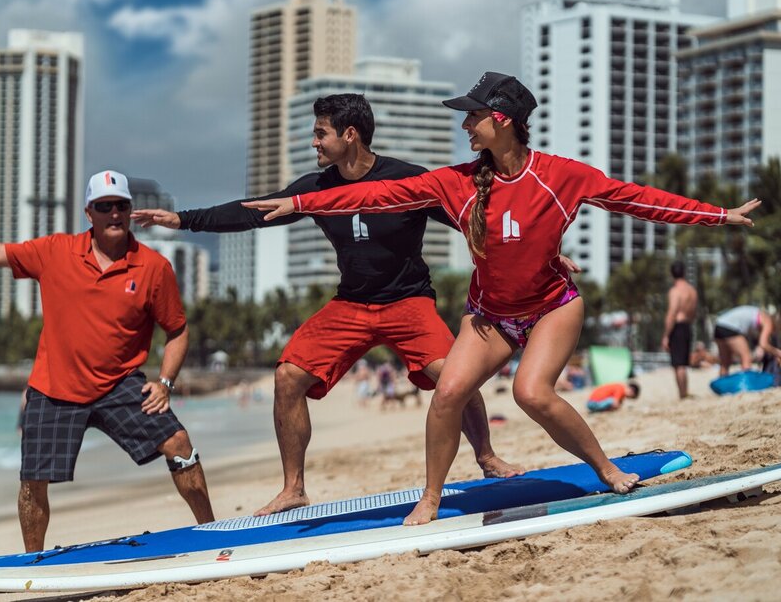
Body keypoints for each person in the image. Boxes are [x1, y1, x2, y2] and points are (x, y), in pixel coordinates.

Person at [244, 71, 760, 525]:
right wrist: (298, 201)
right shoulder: (456, 183)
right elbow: (374, 194)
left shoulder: (561, 176)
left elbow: (639, 200)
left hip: (552, 307)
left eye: (472, 118)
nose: (465, 128)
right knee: (447, 393)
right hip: (489, 315)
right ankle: (430, 497)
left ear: (502, 119)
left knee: (532, 394)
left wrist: (719, 216)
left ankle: (606, 468)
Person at [133, 93, 529, 516]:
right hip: (351, 305)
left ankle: (486, 456)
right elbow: (254, 211)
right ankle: (294, 488)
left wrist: (535, 250)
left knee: (455, 378)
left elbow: (471, 220)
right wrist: (184, 219)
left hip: (408, 301)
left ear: (350, 134)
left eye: (321, 134)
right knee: (287, 377)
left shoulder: (406, 180)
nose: (314, 143)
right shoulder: (316, 187)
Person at [0, 170, 214, 551]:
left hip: (121, 383)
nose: (114, 214)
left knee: (179, 443)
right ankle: (33, 564)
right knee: (33, 481)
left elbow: (178, 330)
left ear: (130, 210)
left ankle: (212, 536)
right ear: (90, 213)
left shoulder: (153, 267)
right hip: (54, 387)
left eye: (121, 205)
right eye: (105, 207)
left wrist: (165, 382)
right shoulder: (55, 251)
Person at [661, 260, 699, 399]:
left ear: (672, 274)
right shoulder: (692, 291)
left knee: (678, 364)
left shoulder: (675, 291)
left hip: (677, 327)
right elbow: (694, 312)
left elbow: (672, 313)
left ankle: (682, 394)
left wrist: (666, 335)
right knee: (683, 362)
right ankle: (685, 392)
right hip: (688, 326)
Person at [713, 305, 781, 377]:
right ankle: (745, 385)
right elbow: (763, 344)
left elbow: (761, 342)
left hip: (719, 325)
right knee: (746, 358)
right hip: (731, 328)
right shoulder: (768, 321)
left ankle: (723, 385)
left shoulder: (761, 315)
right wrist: (778, 353)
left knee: (725, 362)